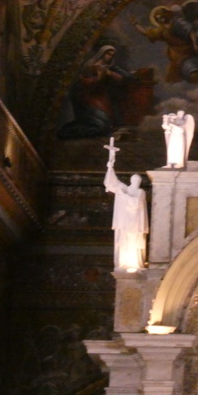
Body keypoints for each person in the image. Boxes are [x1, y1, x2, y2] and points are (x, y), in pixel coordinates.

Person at [133, 2, 198, 84]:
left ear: (166, 14)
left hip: (188, 52)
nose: (161, 19)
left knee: (195, 72)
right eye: (158, 18)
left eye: (161, 16)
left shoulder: (177, 22)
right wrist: (135, 24)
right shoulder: (161, 30)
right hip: (178, 57)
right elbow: (147, 33)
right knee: (186, 75)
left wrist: (195, 44)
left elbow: (191, 31)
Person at [58, 45, 134, 139]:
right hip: (89, 97)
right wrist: (99, 78)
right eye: (108, 54)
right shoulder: (90, 66)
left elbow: (122, 79)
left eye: (112, 55)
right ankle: (68, 131)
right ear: (102, 53)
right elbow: (84, 82)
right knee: (100, 126)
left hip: (101, 98)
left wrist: (110, 74)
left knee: (106, 125)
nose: (110, 57)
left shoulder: (109, 68)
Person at [103, 139, 148, 271]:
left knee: (134, 243)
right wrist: (110, 167)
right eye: (134, 180)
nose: (136, 182)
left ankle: (134, 263)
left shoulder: (140, 192)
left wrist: (123, 195)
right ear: (131, 181)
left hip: (134, 223)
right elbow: (111, 183)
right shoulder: (124, 188)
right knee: (123, 242)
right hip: (124, 222)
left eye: (138, 181)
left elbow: (135, 203)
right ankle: (123, 263)